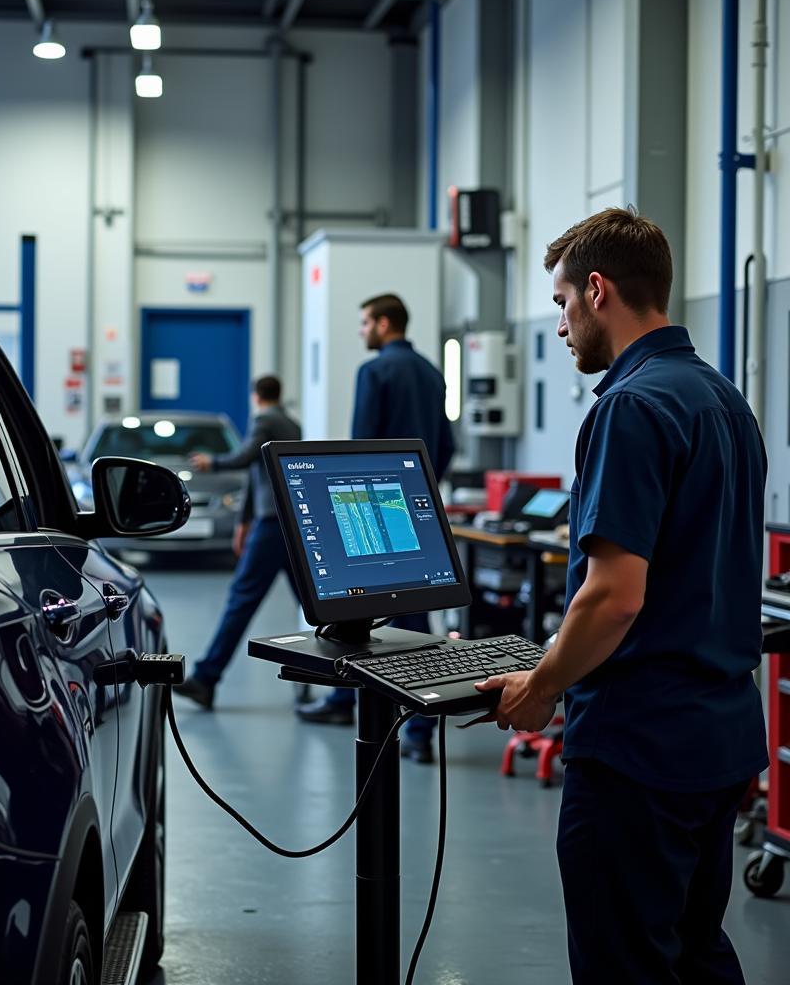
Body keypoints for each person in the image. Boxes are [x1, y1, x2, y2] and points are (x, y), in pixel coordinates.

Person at [474, 207, 768, 984]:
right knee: (695, 951)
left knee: (627, 964)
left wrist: (541, 686)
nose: (563, 324)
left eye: (564, 302)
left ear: (598, 290)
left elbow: (613, 598)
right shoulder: (723, 401)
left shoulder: (631, 407)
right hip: (717, 737)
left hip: (641, 749)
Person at [296, 293, 455, 764]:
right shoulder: (431, 372)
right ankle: (423, 727)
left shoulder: (374, 372)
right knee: (416, 611)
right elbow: (446, 444)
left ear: (385, 324)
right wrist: (422, 490)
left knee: (359, 609)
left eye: (365, 322)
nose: (362, 331)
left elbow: (358, 447)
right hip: (418, 505)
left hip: (370, 506)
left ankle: (350, 700)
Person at [172, 375, 301, 710]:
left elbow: (246, 457)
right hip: (284, 523)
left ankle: (206, 678)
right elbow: (258, 473)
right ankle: (340, 685)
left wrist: (211, 462)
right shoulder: (290, 423)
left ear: (255, 395)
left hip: (271, 526)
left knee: (241, 598)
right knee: (314, 606)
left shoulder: (265, 420)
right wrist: (244, 521)